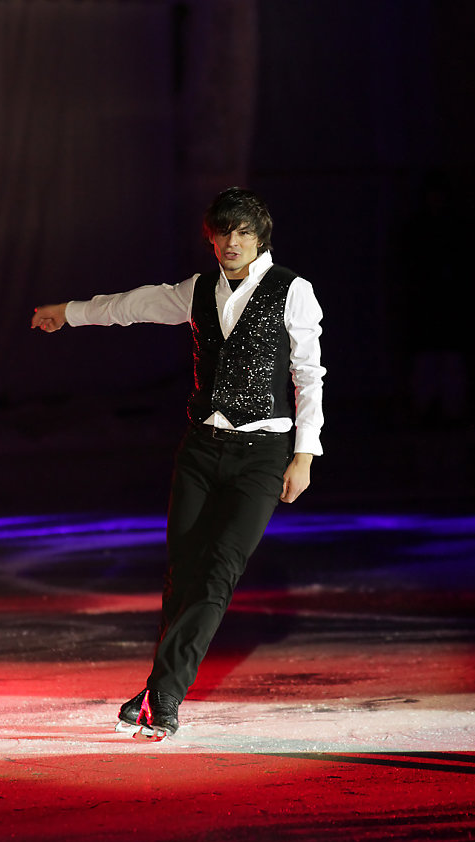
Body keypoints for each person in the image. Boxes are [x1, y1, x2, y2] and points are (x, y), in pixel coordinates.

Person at [31, 187, 325, 739]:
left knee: (218, 574)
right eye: (223, 232)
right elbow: (127, 307)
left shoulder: (293, 290)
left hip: (262, 456)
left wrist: (304, 454)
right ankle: (158, 689)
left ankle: (164, 696)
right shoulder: (197, 291)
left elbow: (309, 377)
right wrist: (66, 314)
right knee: (182, 577)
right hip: (199, 450)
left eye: (242, 232)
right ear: (211, 237)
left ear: (259, 236)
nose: (232, 242)